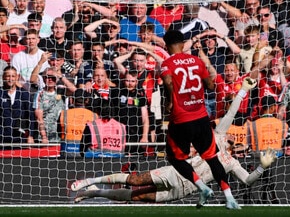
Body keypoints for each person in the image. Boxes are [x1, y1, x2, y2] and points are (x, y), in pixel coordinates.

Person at [71, 78, 277, 204]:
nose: (235, 137)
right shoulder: (219, 138)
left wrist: (261, 167)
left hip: (185, 189)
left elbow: (248, 180)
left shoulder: (232, 163)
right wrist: (242, 91)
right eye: (234, 136)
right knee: (135, 181)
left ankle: (93, 194)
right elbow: (230, 114)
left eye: (239, 142)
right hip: (176, 172)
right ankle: (90, 181)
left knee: (139, 197)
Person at [160, 30, 239, 209]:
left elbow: (167, 82)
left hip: (181, 119)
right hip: (202, 117)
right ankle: (229, 197)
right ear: (183, 43)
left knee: (175, 159)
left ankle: (202, 187)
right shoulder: (196, 61)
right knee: (212, 158)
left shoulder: (167, 64)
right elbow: (211, 85)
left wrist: (170, 101)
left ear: (166, 45)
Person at [111, 71, 149, 154]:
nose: (130, 84)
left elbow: (145, 118)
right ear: (123, 80)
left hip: (136, 133)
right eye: (127, 81)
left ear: (136, 82)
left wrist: (144, 136)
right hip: (120, 133)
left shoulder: (141, 95)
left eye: (132, 81)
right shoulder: (116, 93)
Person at [0, 66, 35, 144]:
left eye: (13, 76)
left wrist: (31, 135)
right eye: (8, 76)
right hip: (2, 137)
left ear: (17, 77)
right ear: (3, 77)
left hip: (20, 137)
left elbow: (31, 116)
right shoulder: (1, 93)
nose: (10, 79)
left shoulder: (24, 94)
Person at [58, 88, 98, 156]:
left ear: (72, 100)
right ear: (87, 100)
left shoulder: (64, 114)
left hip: (67, 152)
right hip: (85, 153)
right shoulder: (94, 116)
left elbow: (59, 132)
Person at [33, 67, 65, 143]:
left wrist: (61, 77)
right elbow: (39, 118)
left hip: (61, 136)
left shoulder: (62, 92)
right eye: (47, 77)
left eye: (53, 77)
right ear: (43, 79)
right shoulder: (40, 94)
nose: (50, 79)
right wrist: (44, 137)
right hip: (45, 137)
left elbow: (75, 91)